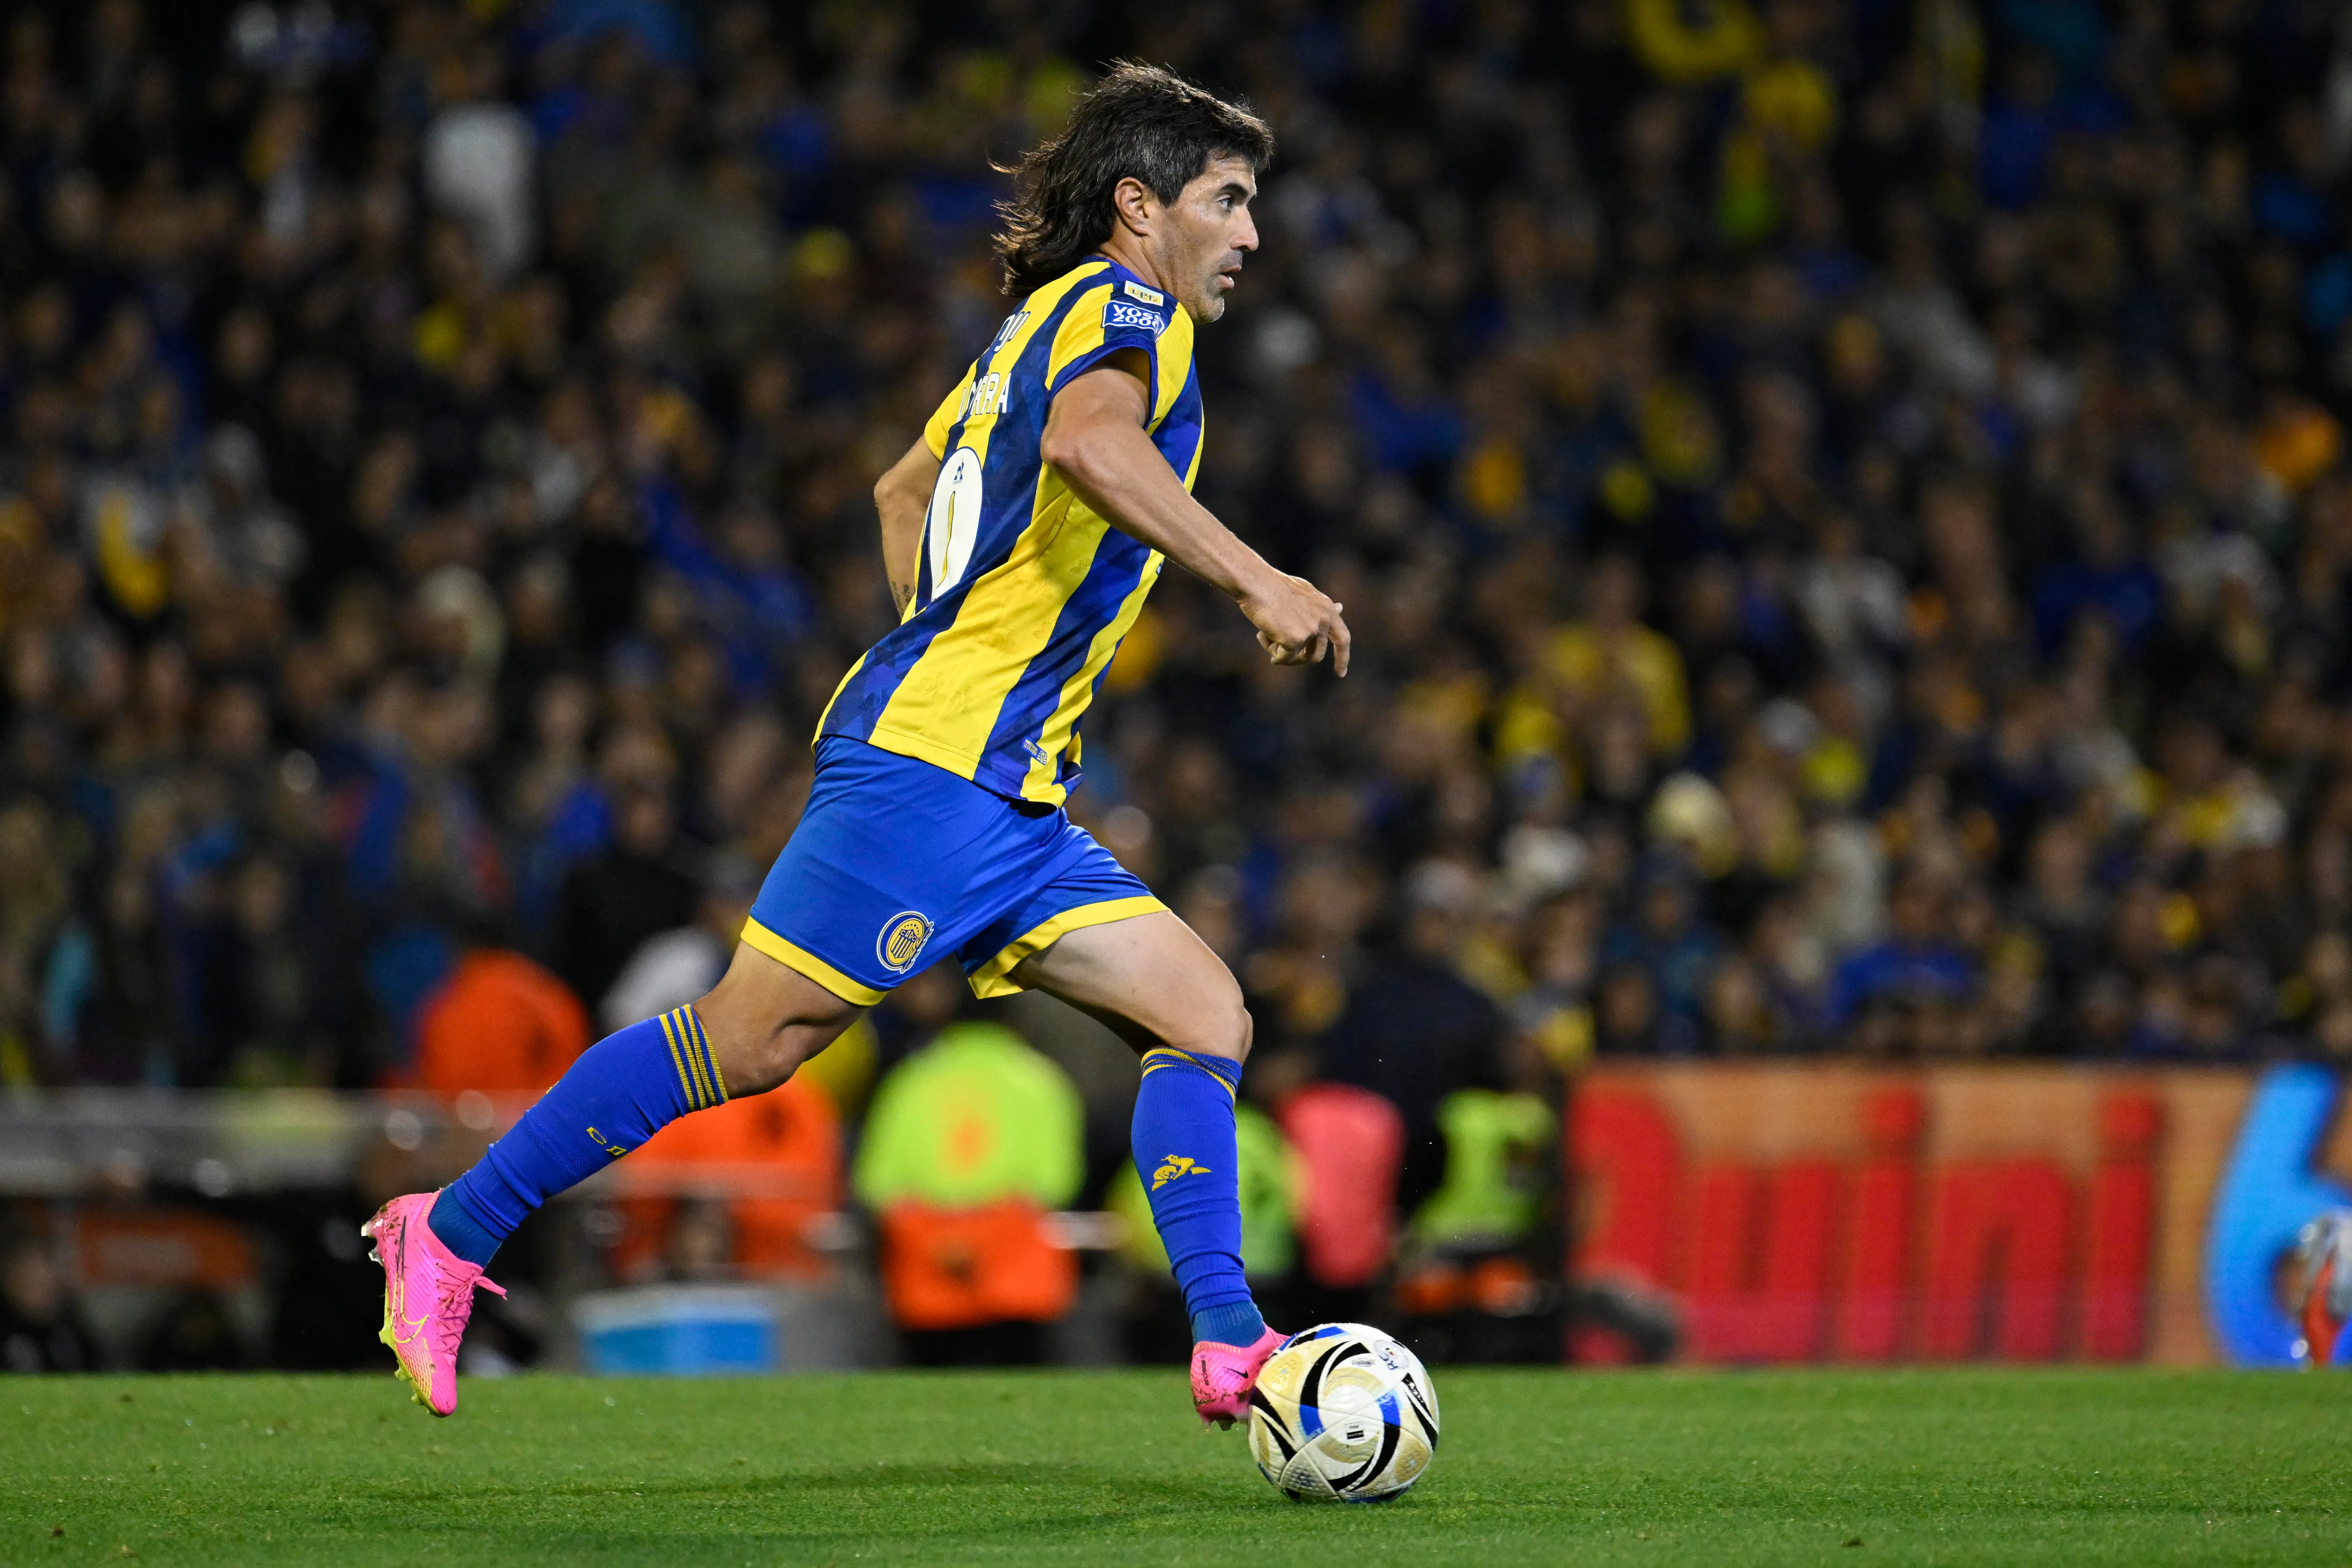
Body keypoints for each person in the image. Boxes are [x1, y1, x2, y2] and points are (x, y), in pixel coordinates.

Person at [364, 62, 1351, 1424]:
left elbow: (904, 488)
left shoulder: (1032, 328)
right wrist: (1255, 581)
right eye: (1229, 202)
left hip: (1004, 794)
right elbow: (1088, 446)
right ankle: (451, 1233)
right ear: (1140, 209)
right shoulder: (1129, 313)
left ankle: (1231, 1340)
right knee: (746, 1044)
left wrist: (945, 635)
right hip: (937, 776)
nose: (1249, 235)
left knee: (1202, 1011)